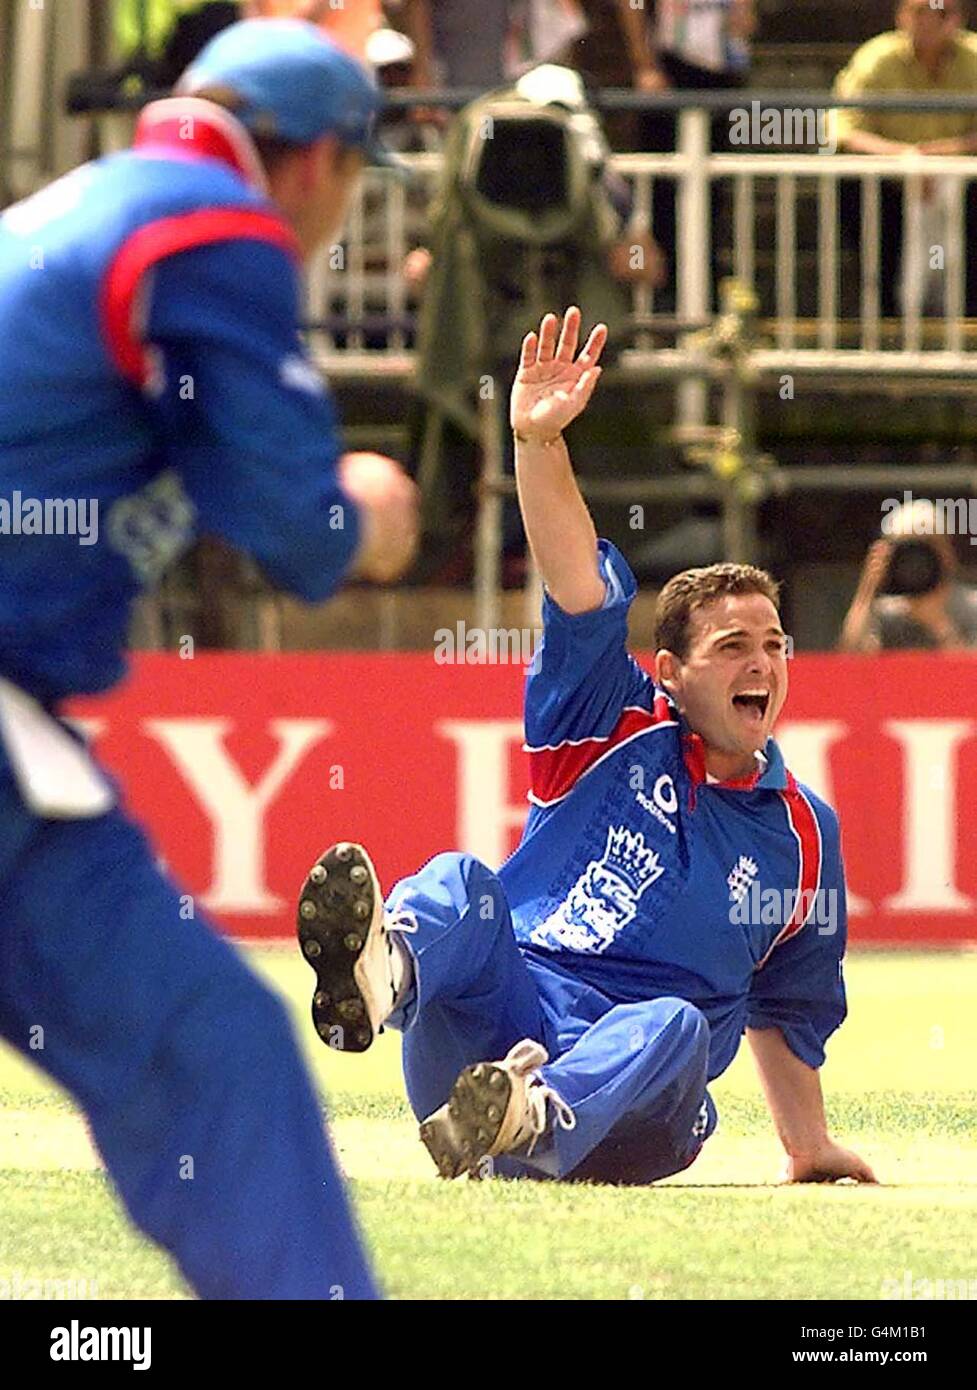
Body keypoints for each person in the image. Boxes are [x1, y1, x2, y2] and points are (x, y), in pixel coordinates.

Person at [0, 19, 418, 1298]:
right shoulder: (213, 228)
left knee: (214, 1052)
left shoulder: (71, 208)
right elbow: (297, 530)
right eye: (354, 184)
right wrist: (364, 508)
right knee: (218, 1059)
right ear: (313, 166)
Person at [296, 306, 876, 1188]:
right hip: (482, 1050)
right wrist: (536, 444)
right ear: (670, 673)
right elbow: (577, 586)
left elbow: (786, 1008)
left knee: (675, 1022)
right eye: (733, 648)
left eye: (773, 646)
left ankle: (531, 1117)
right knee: (461, 881)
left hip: (635, 1112)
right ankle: (382, 979)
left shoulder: (803, 837)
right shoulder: (608, 723)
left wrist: (809, 1149)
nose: (761, 663)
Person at [833, 0, 977, 316]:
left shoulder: (974, 57)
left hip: (963, 179)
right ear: (902, 17)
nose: (930, 22)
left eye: (941, 13)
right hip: (891, 180)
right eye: (920, 12)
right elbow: (844, 130)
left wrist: (940, 157)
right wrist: (908, 160)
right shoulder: (876, 59)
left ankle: (968, 312)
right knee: (855, 188)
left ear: (958, 19)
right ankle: (888, 314)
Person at [839, 499, 977, 652]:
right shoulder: (886, 615)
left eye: (926, 547)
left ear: (948, 552)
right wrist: (866, 590)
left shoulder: (972, 608)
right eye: (908, 551)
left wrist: (939, 625)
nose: (916, 562)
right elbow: (850, 661)